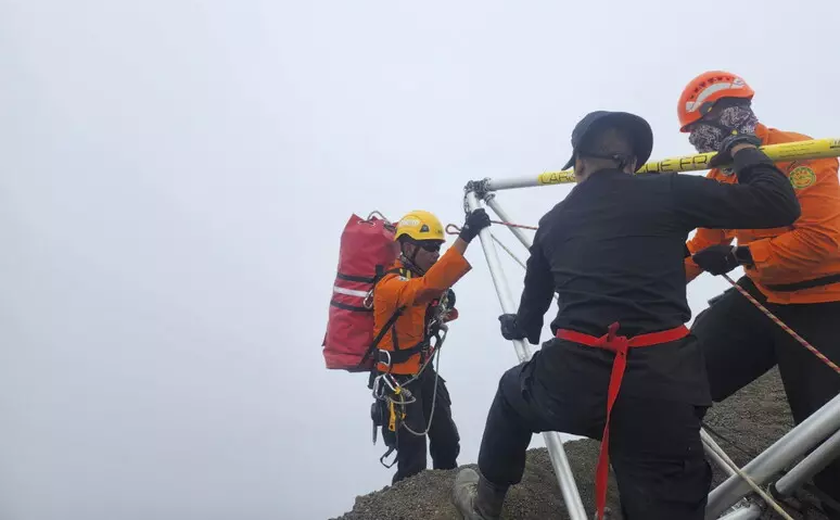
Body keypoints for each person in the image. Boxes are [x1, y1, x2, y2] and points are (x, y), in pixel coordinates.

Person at [452, 110, 801, 520]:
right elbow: (778, 205)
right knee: (660, 483)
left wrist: (515, 324)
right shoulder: (667, 191)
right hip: (662, 392)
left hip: (571, 387)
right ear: (633, 163)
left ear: (578, 162)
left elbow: (529, 321)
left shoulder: (552, 222)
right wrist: (744, 148)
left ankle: (485, 502)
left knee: (512, 392)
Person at [679, 70, 840, 518]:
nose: (696, 142)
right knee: (680, 377)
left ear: (726, 116)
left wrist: (742, 255)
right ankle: (670, 485)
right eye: (692, 135)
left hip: (824, 303)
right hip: (761, 296)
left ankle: (827, 501)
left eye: (698, 131)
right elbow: (704, 243)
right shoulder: (721, 175)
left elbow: (825, 242)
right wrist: (658, 281)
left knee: (823, 423)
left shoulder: (800, 155)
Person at [371, 208, 490, 484]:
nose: (436, 253)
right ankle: (410, 506)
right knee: (412, 459)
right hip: (398, 380)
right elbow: (426, 288)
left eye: (439, 247)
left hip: (422, 372)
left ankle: (448, 496)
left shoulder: (414, 281)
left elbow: (431, 297)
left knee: (447, 441)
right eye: (430, 248)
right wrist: (466, 236)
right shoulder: (390, 285)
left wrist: (444, 304)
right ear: (409, 247)